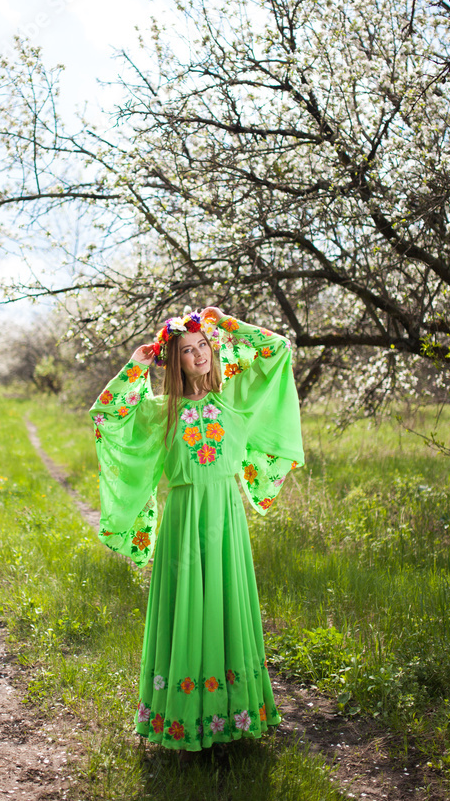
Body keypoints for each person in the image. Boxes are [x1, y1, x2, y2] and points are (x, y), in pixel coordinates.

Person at [89, 306, 304, 756]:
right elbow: (106, 416)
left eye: (203, 345)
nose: (200, 355)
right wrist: (136, 366)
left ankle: (236, 715)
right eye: (188, 350)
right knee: (189, 605)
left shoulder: (232, 397)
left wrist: (226, 322)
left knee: (226, 603)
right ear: (175, 361)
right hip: (184, 521)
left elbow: (278, 350)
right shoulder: (160, 412)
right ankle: (185, 719)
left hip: (226, 518)